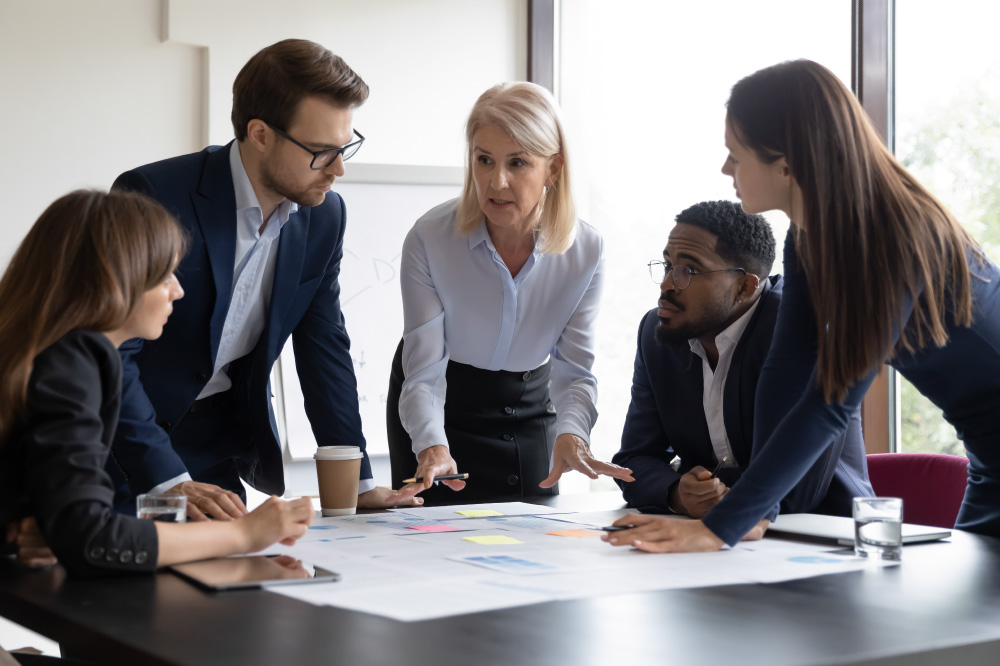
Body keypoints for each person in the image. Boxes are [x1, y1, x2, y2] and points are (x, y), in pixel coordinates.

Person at [606, 58, 1000, 553]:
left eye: (735, 154)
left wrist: (718, 527)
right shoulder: (808, 239)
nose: (726, 168)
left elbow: (830, 403)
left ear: (786, 163)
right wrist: (756, 512)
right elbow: (786, 376)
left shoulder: (888, 237)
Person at [110, 39, 418, 518]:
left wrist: (355, 479)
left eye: (345, 148)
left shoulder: (324, 216)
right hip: (124, 447)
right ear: (259, 134)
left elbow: (323, 345)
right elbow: (116, 348)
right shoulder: (155, 194)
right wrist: (166, 478)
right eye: (320, 152)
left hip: (218, 448)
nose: (338, 170)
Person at [0, 190, 313, 577]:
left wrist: (31, 526)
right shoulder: (75, 359)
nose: (177, 291)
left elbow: (72, 524)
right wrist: (245, 535)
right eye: (164, 275)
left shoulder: (42, 350)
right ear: (114, 278)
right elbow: (92, 535)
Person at [387, 81, 633, 503]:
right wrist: (432, 445)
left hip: (530, 408)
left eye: (518, 163)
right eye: (484, 160)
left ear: (552, 169)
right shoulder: (430, 238)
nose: (496, 182)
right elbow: (424, 373)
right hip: (442, 405)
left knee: (533, 549)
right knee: (433, 546)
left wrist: (573, 433)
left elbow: (574, 371)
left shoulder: (586, 250)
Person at [613, 200, 872, 519]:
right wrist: (677, 492)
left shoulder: (802, 331)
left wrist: (707, 490)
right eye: (668, 266)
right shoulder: (658, 332)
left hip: (822, 532)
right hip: (715, 532)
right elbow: (633, 458)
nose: (668, 284)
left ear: (745, 286)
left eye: (689, 271)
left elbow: (798, 487)